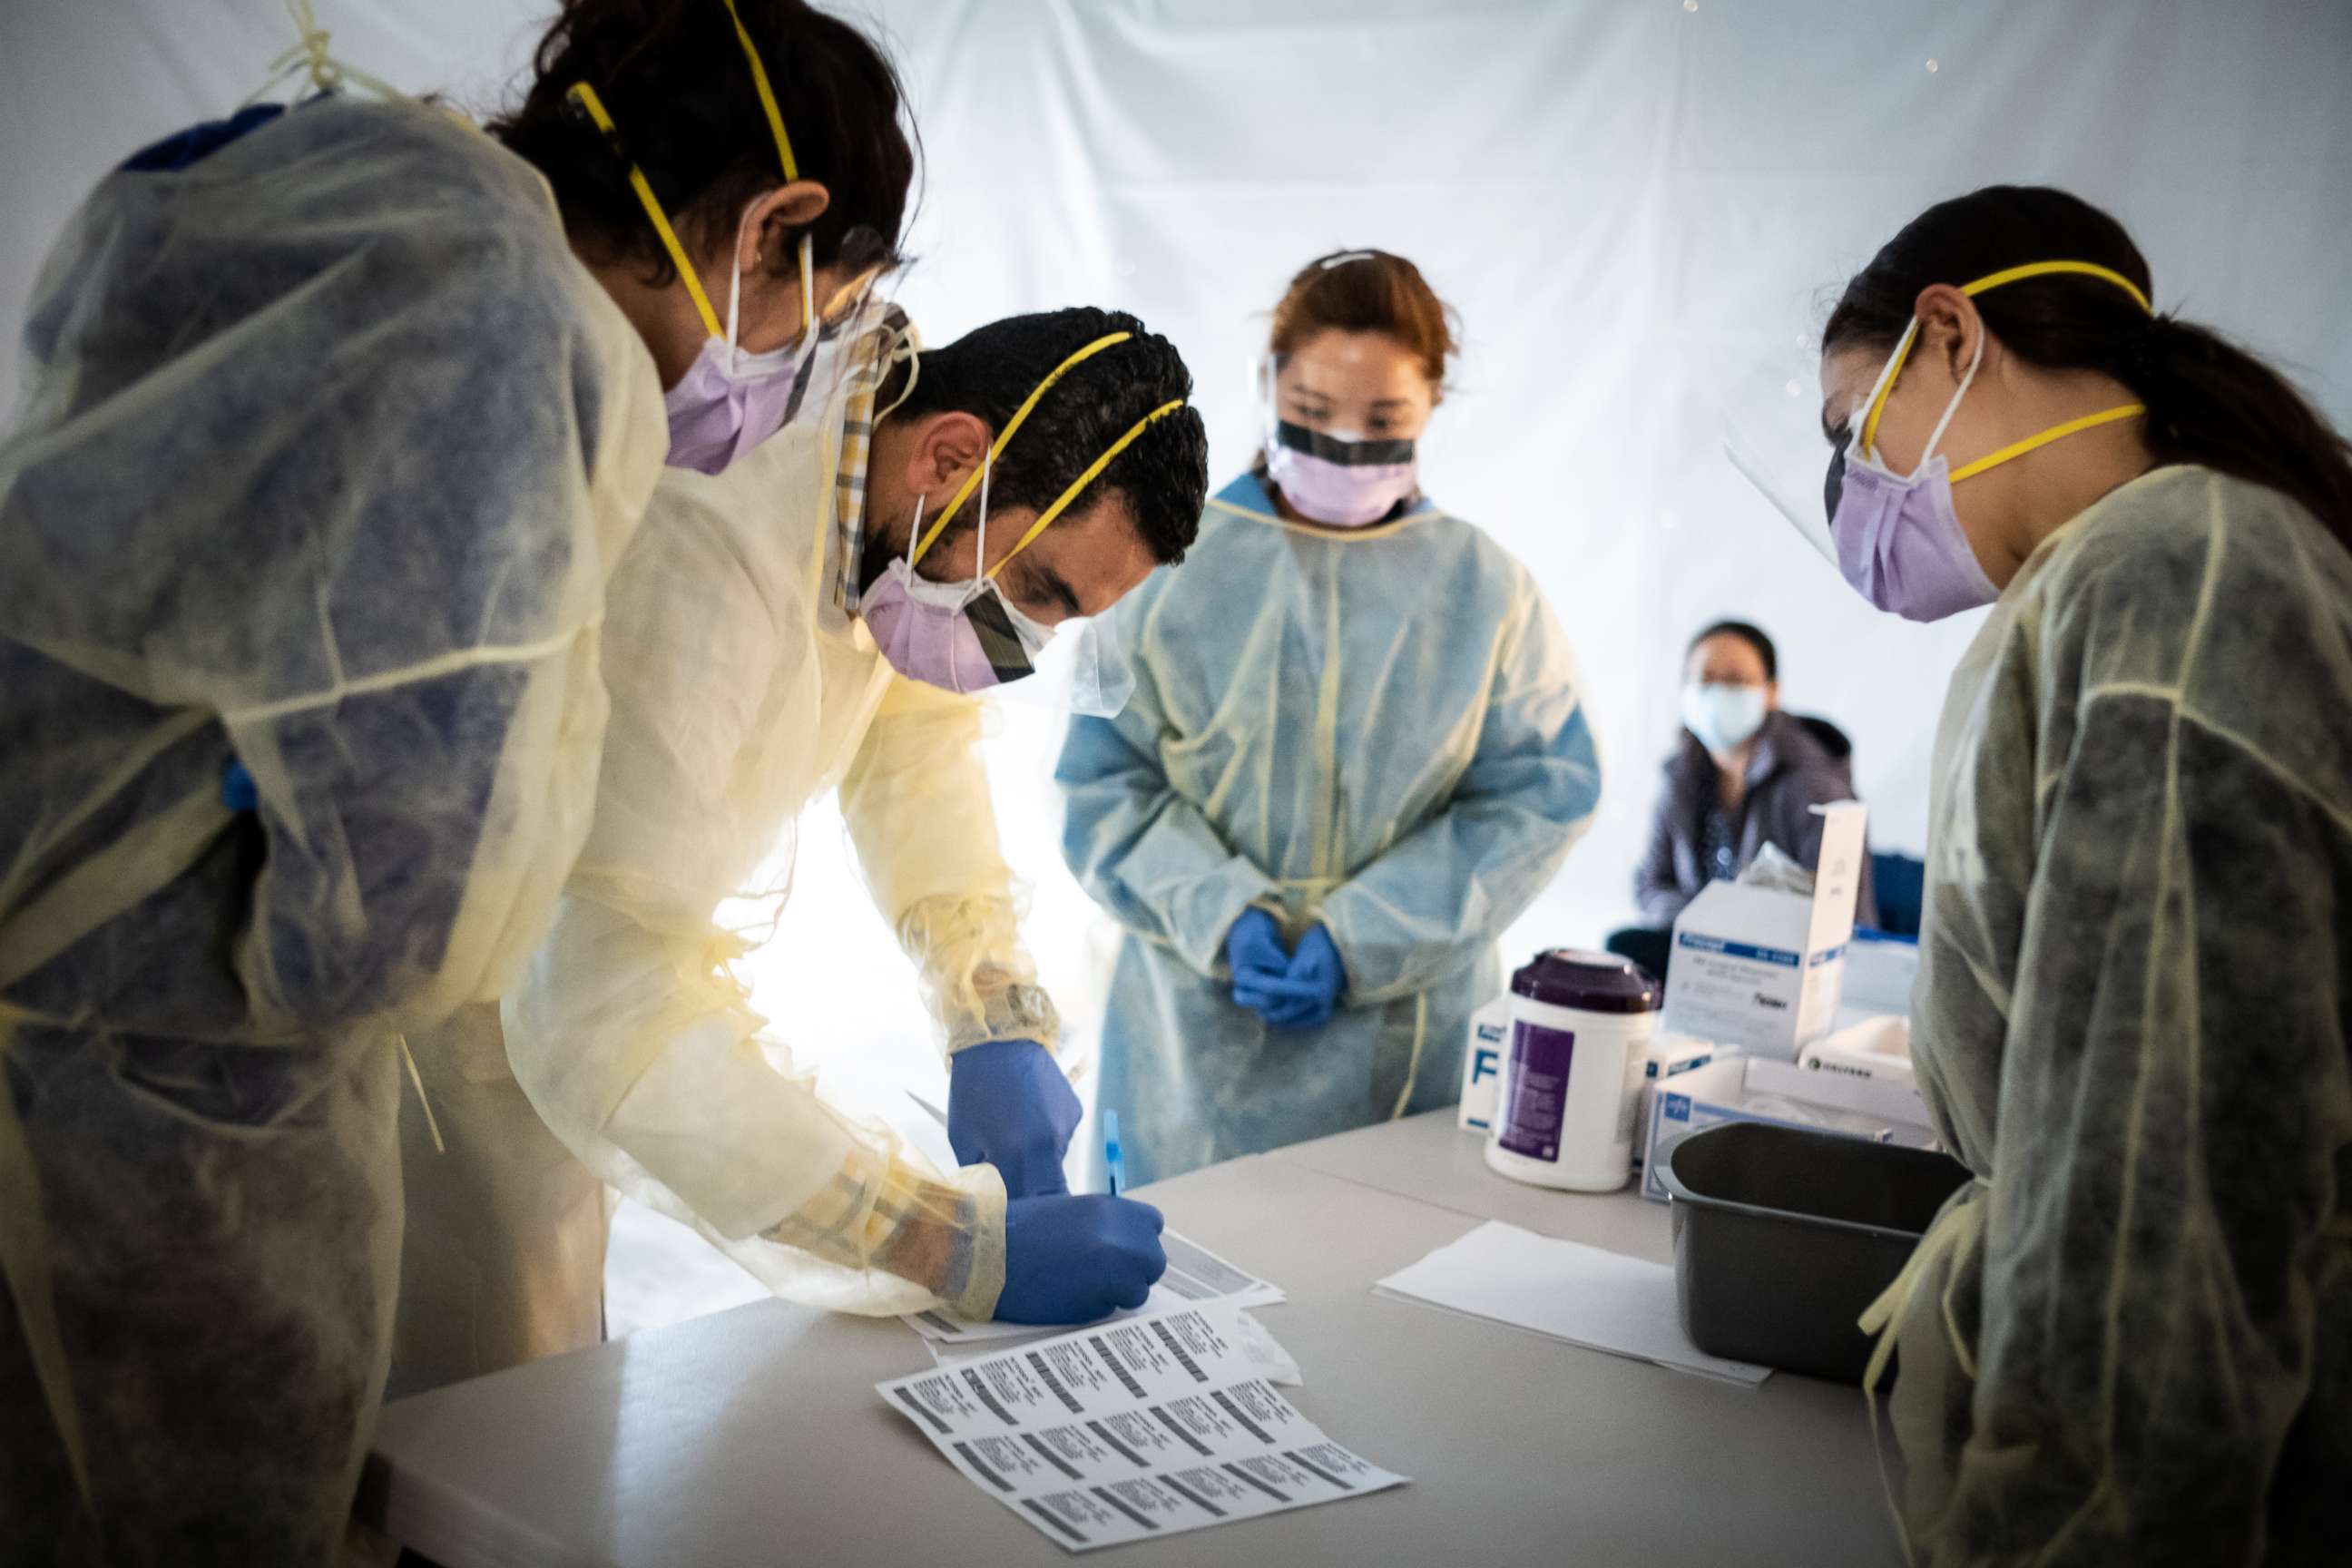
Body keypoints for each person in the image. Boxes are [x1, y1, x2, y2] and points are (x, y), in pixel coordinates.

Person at [0, 1, 919, 1559]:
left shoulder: (336, 192)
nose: (779, 376)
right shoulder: (511, 323)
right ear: (776, 223)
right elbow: (385, 919)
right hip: (176, 1100)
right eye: (814, 323)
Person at [392, 303, 1207, 1394]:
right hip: (433, 1017)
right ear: (955, 455)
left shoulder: (889, 499)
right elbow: (605, 1003)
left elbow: (911, 739)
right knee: (452, 1423)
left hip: (552, 1003)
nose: (1026, 643)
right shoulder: (712, 545)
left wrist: (989, 1008)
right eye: (1038, 591)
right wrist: (945, 1246)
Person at [1802, 185, 2351, 1563]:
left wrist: (2069, 1525)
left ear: (1949, 335)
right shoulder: (2142, 569)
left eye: (1852, 429)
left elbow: (2159, 1195)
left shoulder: (2183, 573)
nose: (1856, 497)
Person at [1057, 249, 1601, 1186]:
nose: (1348, 446)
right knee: (1188, 1291)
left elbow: (1533, 801)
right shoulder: (1161, 573)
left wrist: (1366, 934)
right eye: (1313, 417)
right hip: (1189, 1051)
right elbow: (1105, 784)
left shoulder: (1487, 592)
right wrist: (1222, 914)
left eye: (1384, 421)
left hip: (1404, 1053)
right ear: (1269, 385)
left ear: (1434, 401)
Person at [1610, 619, 1876, 978]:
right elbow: (1650, 884)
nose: (1717, 692)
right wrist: (1707, 921)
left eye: (1735, 681)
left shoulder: (1813, 785)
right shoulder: (1680, 776)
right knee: (1623, 949)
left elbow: (1844, 920)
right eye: (1704, 680)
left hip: (1781, 968)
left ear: (1771, 692)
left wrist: (1733, 928)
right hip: (1703, 951)